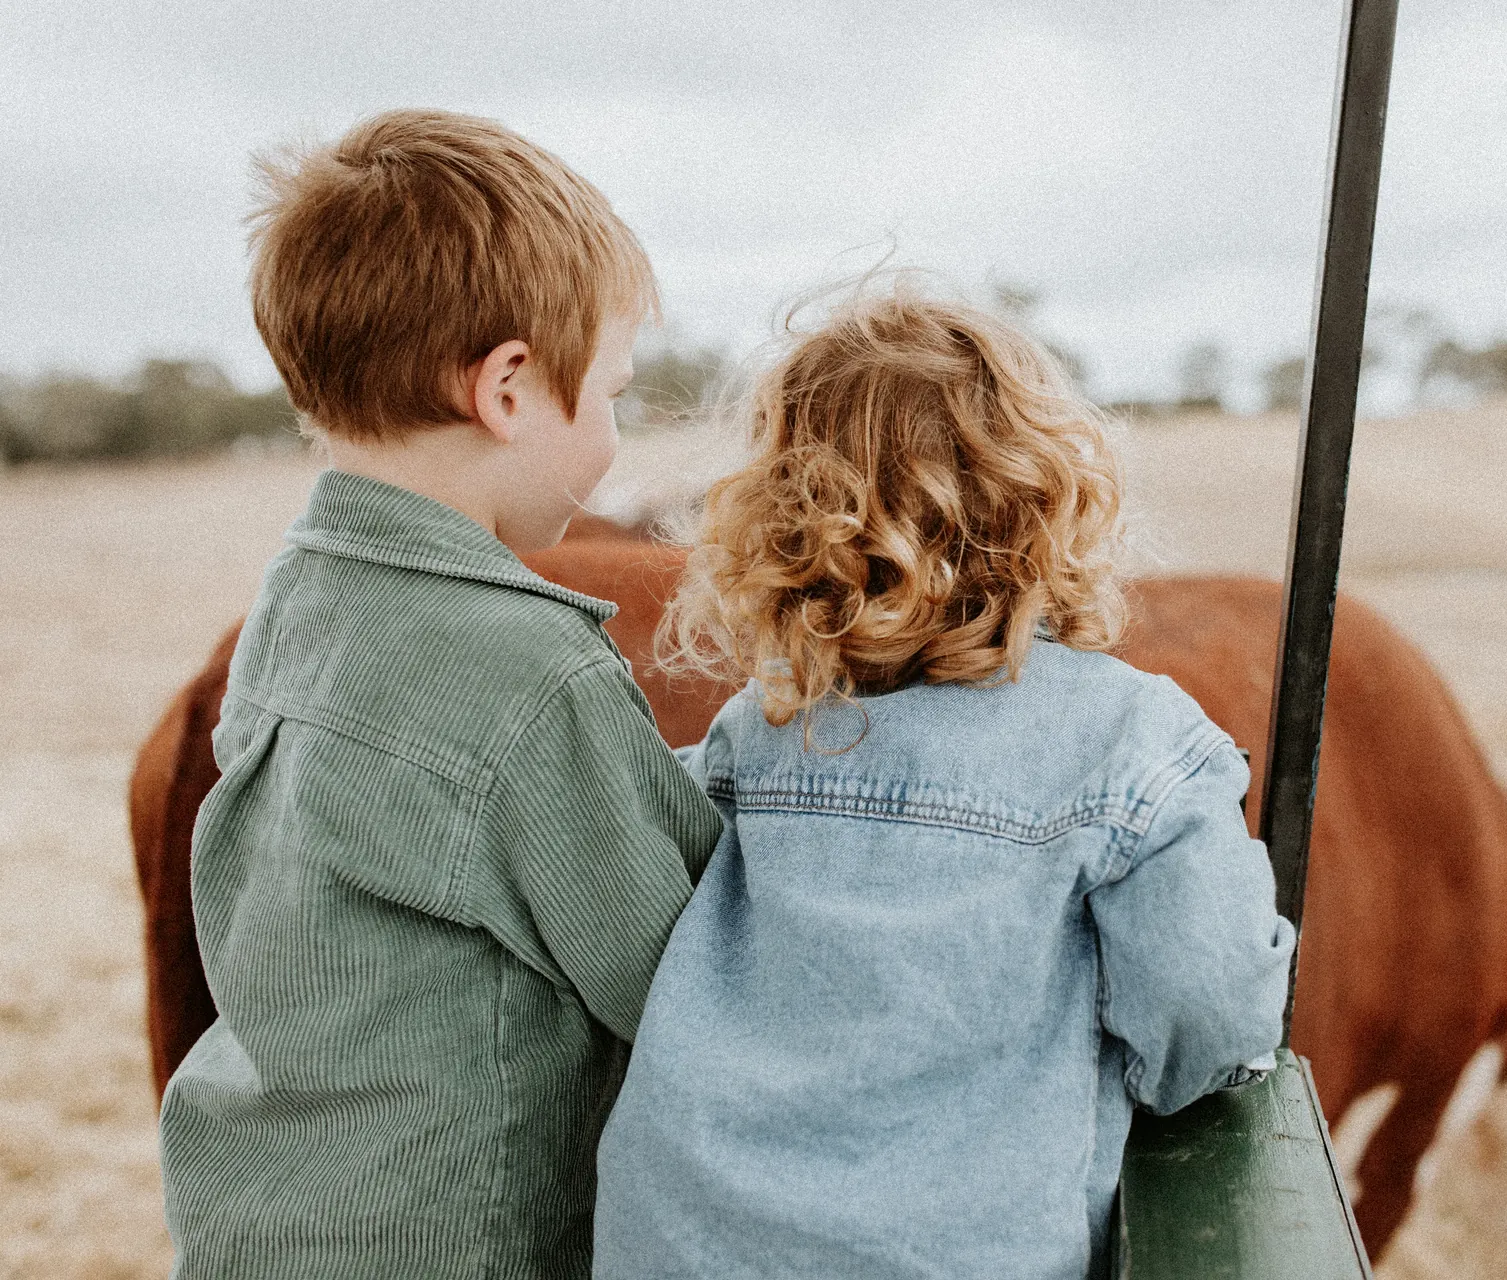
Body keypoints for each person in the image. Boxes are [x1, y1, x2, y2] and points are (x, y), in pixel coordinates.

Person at [593, 279, 1295, 1279]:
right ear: (1048, 507)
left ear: (787, 525)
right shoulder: (1130, 743)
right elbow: (1208, 1010)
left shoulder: (764, 728)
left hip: (684, 1242)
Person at [157, 110, 722, 1279]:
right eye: (610, 392)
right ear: (510, 386)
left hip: (257, 1230)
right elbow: (689, 971)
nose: (614, 433)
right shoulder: (523, 672)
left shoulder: (300, 600)